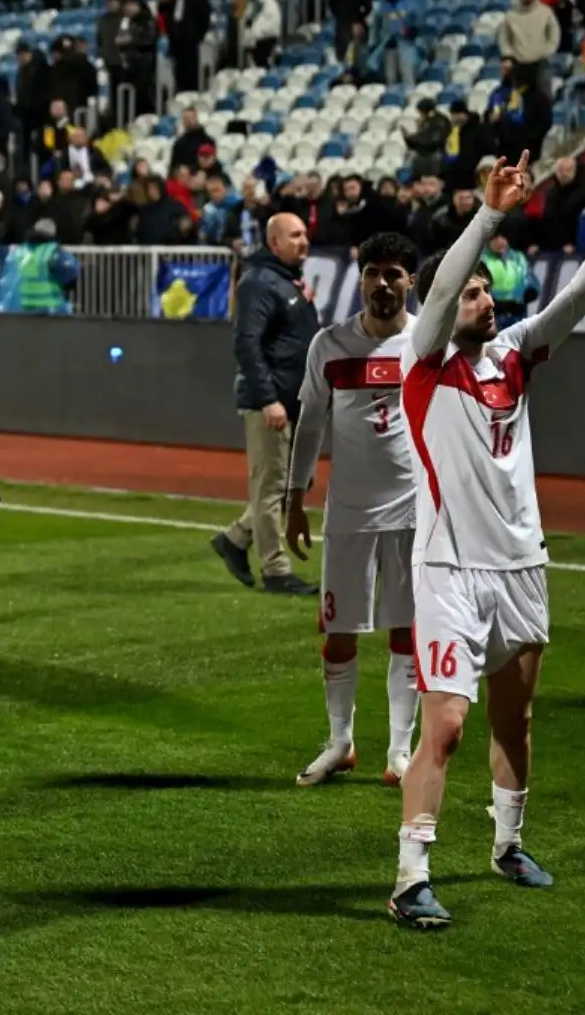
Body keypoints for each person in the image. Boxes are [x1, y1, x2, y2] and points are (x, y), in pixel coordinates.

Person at [389, 149, 585, 930]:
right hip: (448, 569)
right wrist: (491, 212)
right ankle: (410, 878)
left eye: (487, 290)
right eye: (473, 292)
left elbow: (583, 292)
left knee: (517, 720)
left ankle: (508, 844)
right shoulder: (426, 361)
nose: (484, 299)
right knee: (445, 724)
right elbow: (439, 288)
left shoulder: (516, 355)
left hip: (522, 565)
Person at [283, 233, 422, 789]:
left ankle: (399, 750)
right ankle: (340, 742)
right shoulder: (330, 345)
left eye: (393, 273)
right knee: (340, 631)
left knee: (408, 631)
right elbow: (310, 423)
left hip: (415, 512)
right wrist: (294, 499)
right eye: (373, 273)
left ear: (410, 282)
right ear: (361, 279)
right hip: (347, 513)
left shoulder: (427, 342)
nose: (382, 284)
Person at [210, 212, 320, 597]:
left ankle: (236, 539)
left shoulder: (285, 280)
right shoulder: (259, 282)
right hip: (271, 402)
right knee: (273, 486)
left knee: (293, 484)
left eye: (305, 234)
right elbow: (247, 343)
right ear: (274, 242)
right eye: (294, 236)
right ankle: (276, 570)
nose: (303, 241)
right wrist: (269, 399)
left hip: (295, 399)